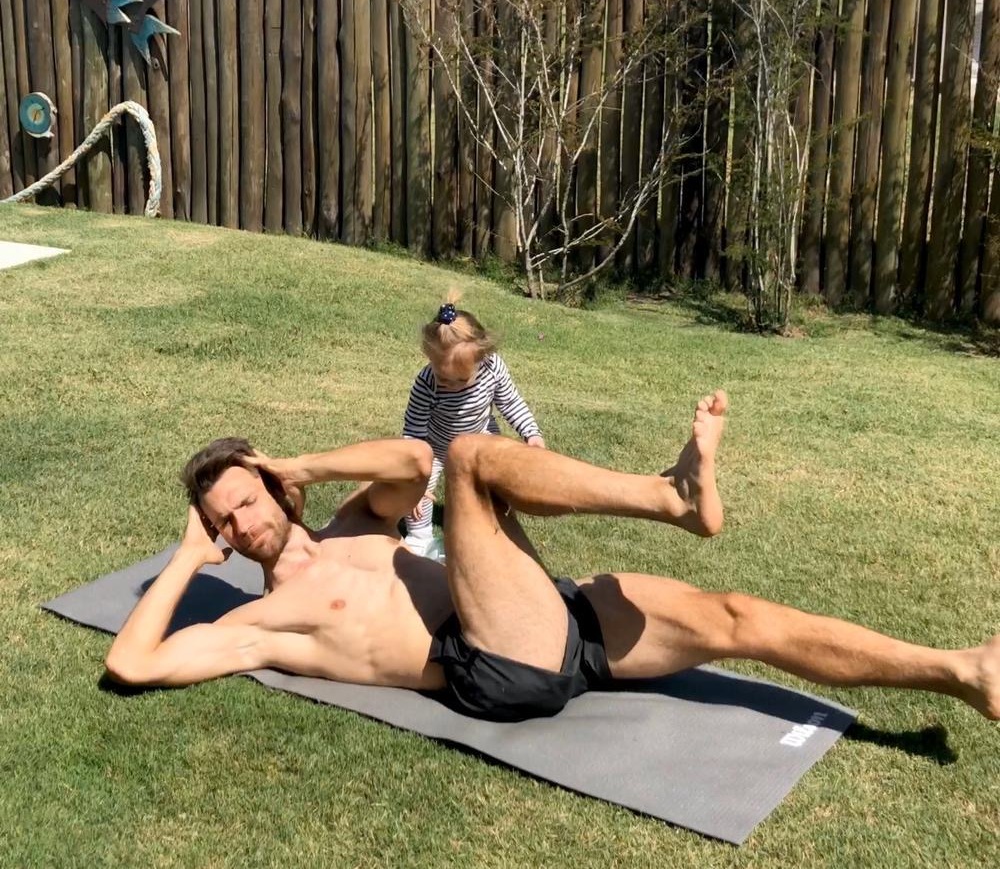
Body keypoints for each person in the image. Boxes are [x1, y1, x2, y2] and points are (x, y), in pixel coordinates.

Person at [104, 392, 1000, 724]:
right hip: (487, 663)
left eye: (248, 497)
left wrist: (298, 463)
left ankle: (962, 672)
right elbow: (133, 664)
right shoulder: (259, 620)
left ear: (275, 487)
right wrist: (187, 558)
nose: (243, 522)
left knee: (738, 617)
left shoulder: (352, 523)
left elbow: (403, 463)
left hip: (546, 615)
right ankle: (668, 497)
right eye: (225, 519)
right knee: (471, 455)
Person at [400, 295, 544, 558]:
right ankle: (419, 539)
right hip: (436, 446)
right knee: (418, 488)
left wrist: (531, 433)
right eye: (443, 377)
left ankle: (487, 525)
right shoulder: (426, 384)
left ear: (482, 357)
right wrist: (417, 478)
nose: (450, 385)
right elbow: (414, 433)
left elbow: (510, 402)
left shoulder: (493, 367)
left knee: (493, 477)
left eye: (460, 380)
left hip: (480, 436)